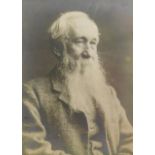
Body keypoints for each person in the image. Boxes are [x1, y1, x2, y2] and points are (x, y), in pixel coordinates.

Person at [22, 11, 133, 155]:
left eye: (93, 43)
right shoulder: (34, 93)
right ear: (58, 48)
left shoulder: (108, 93)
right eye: (80, 41)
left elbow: (129, 141)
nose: (89, 52)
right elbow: (33, 148)